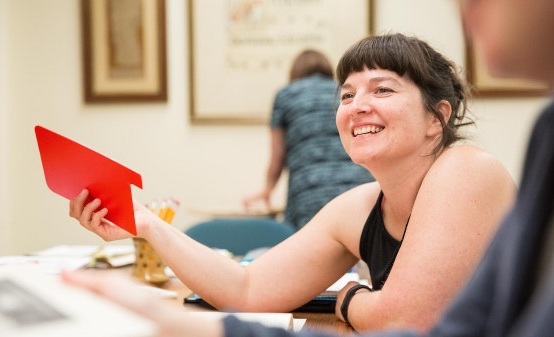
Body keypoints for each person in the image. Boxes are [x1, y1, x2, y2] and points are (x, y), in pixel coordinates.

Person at [69, 33, 516, 332]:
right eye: (346, 94)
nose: (356, 105)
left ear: (437, 118)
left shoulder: (468, 170)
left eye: (381, 90)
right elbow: (245, 289)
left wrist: (347, 298)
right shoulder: (359, 207)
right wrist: (147, 224)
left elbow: (404, 322)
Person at [242, 49, 374, 229]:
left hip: (308, 191)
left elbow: (277, 157)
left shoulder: (285, 95)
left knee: (311, 251)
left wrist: (267, 191)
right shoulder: (343, 91)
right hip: (358, 186)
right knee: (361, 247)